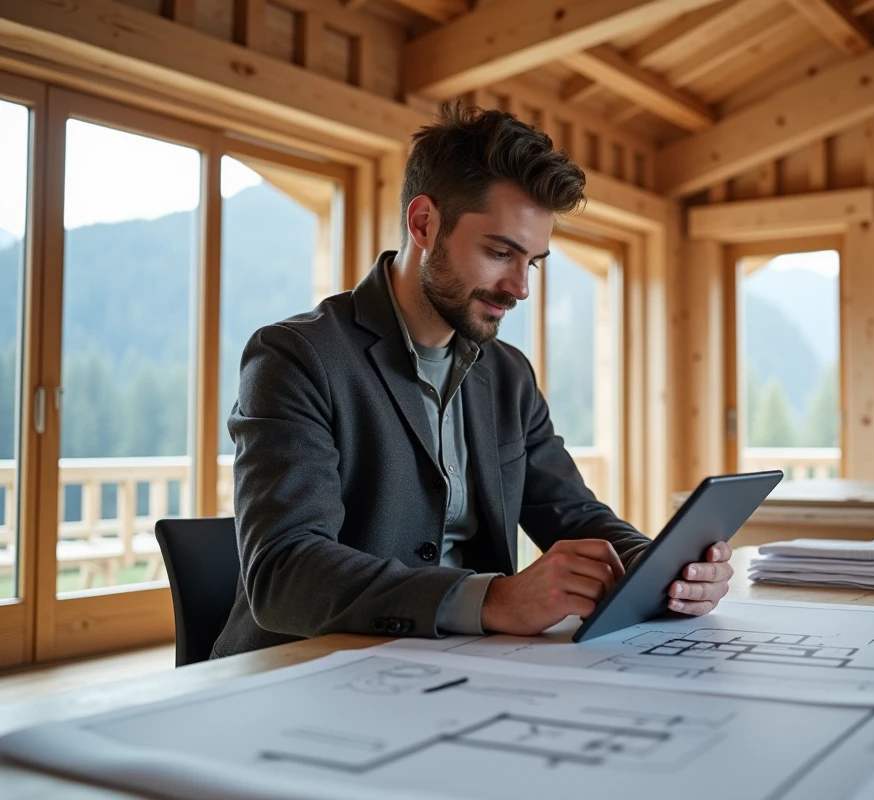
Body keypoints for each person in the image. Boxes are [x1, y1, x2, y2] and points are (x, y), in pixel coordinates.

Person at [211, 103, 733, 658]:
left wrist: (656, 567)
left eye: (530, 262)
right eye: (499, 252)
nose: (519, 287)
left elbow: (575, 516)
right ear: (423, 224)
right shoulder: (296, 356)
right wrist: (494, 599)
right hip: (303, 674)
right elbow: (285, 573)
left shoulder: (508, 374)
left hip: (464, 669)